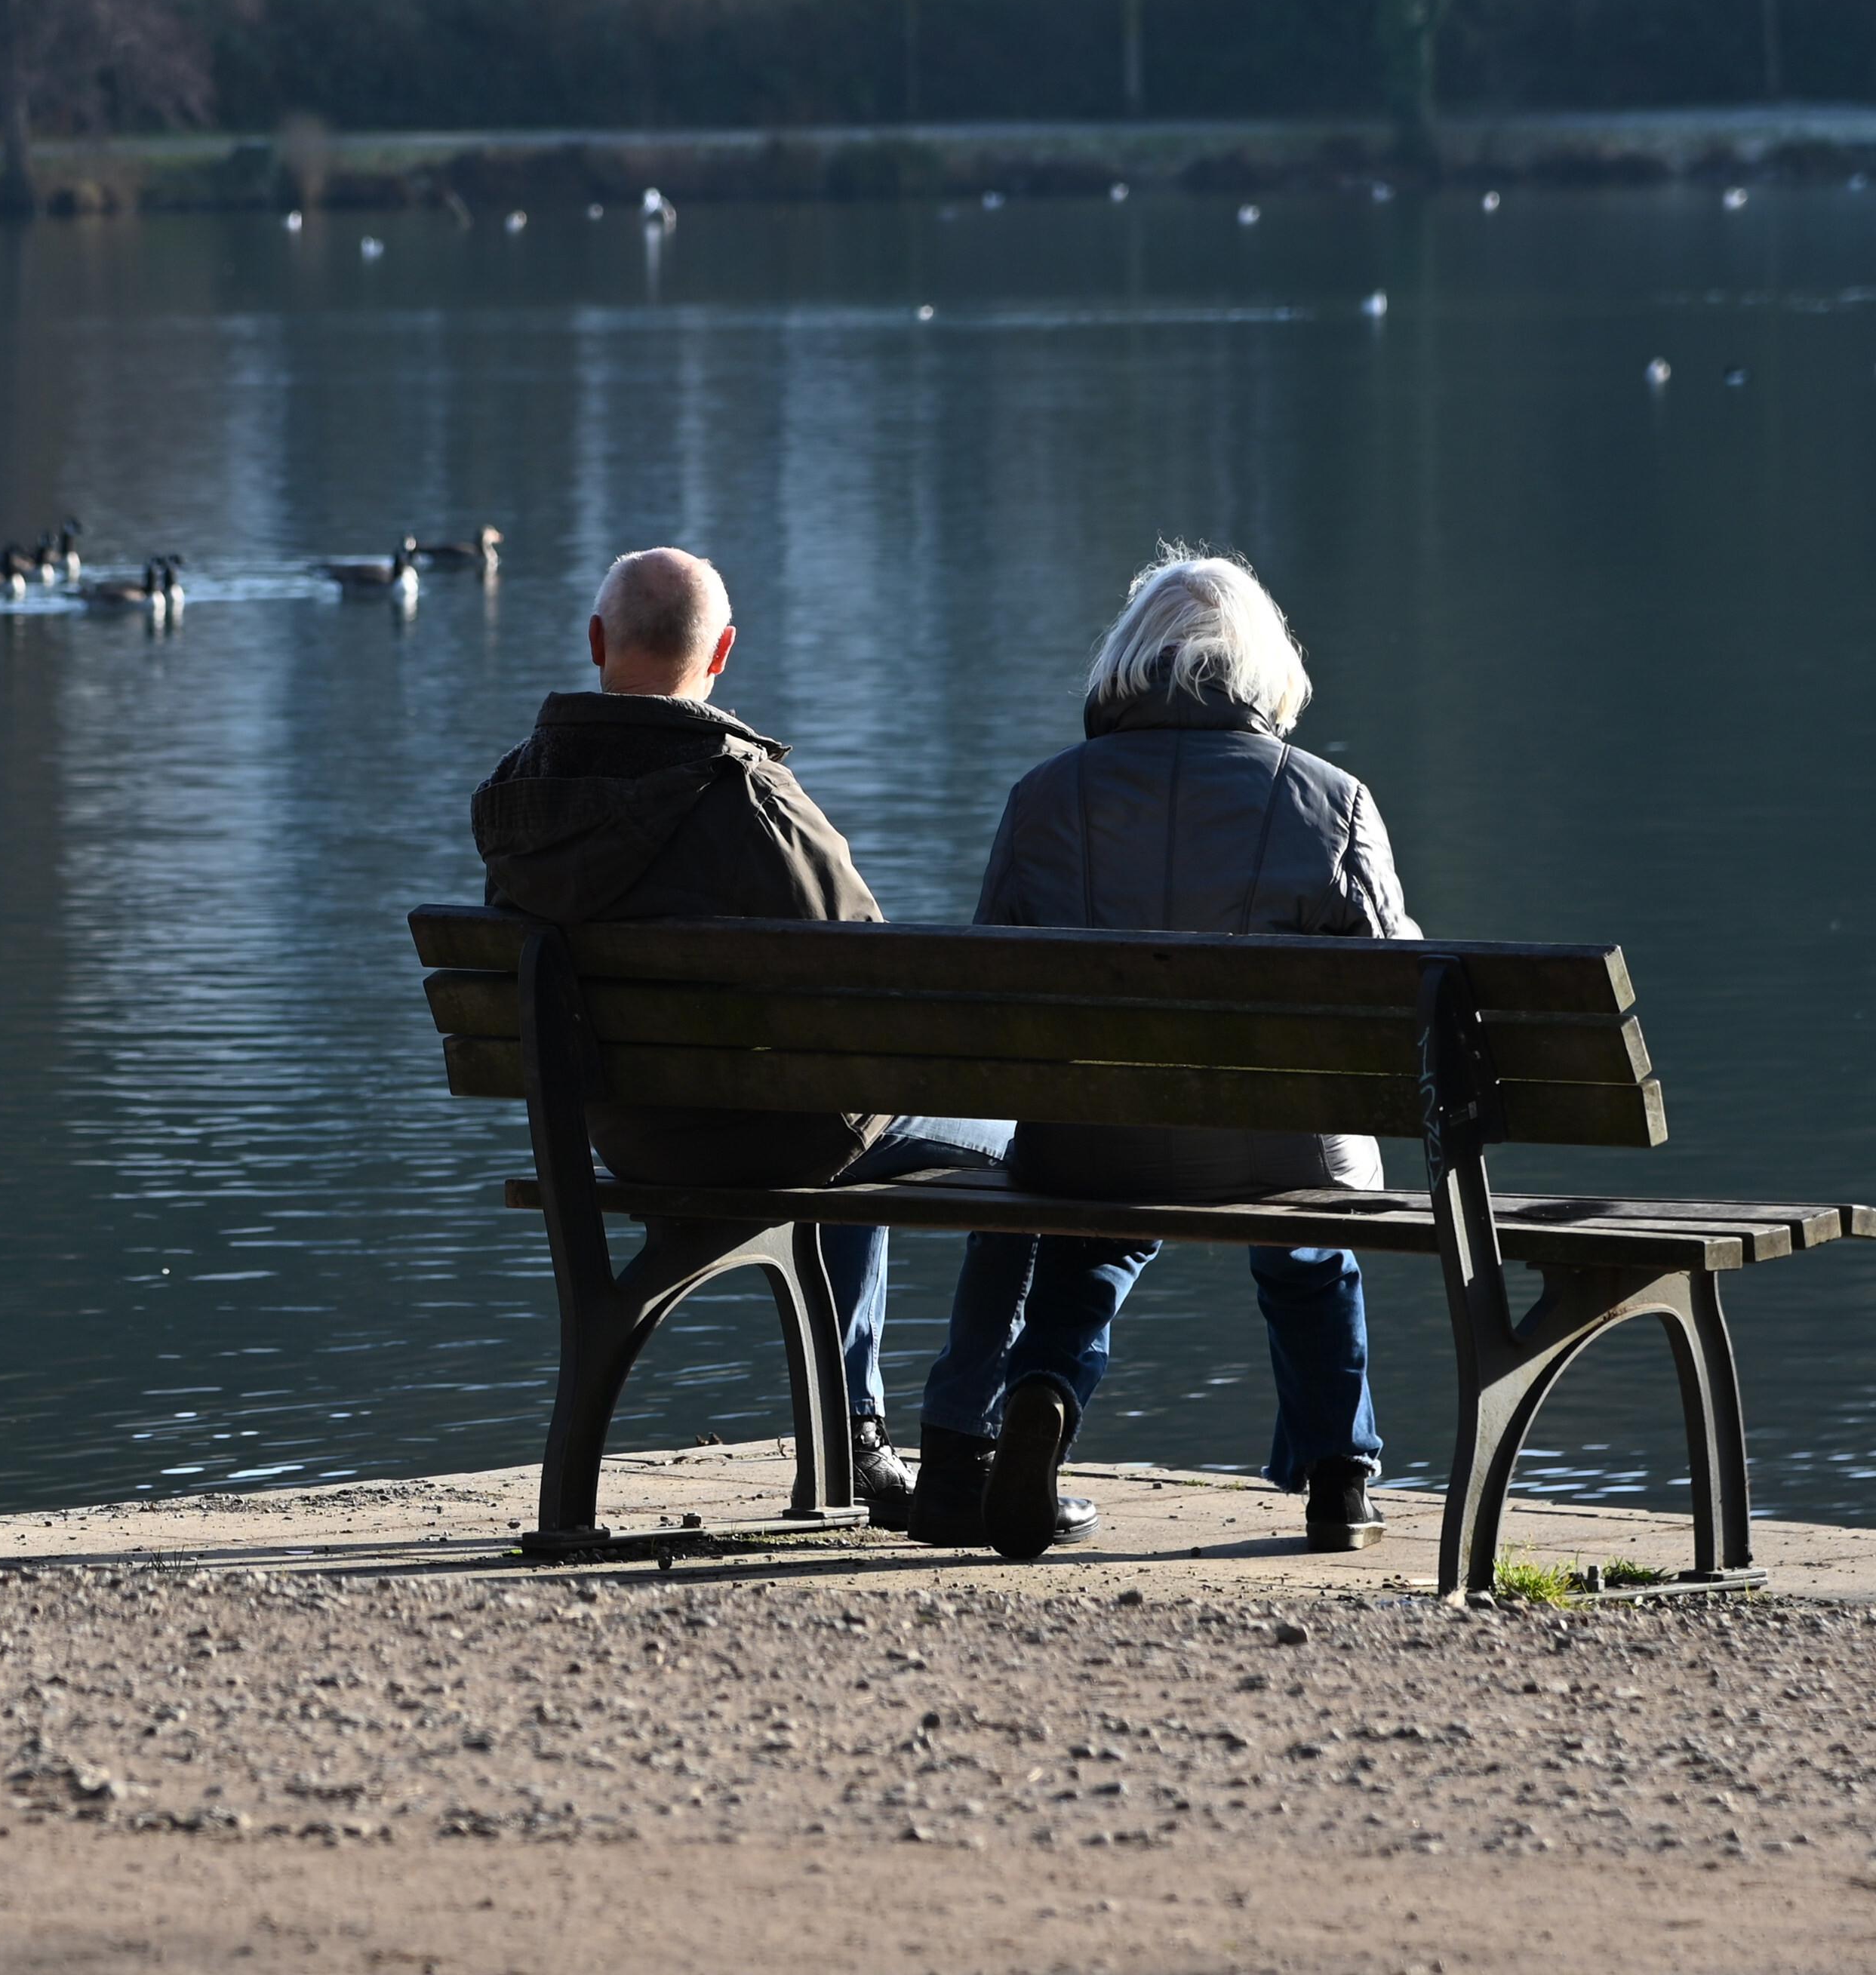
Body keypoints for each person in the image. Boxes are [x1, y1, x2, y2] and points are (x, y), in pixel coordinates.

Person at [471, 547, 1003, 1523]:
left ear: (596, 642)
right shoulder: (746, 796)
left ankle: (857, 1433)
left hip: (617, 1131)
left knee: (847, 1113)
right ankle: (959, 1444)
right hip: (775, 1136)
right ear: (720, 651)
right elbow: (875, 976)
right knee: (1024, 1134)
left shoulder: (519, 799)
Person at [907, 549, 1413, 1562]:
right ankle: (1338, 1479)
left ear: (1126, 661)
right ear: (1262, 667)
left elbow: (985, 993)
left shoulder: (1042, 798)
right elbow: (1405, 991)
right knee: (1310, 1240)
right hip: (1280, 1147)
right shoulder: (1331, 800)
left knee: (1089, 1234)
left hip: (1091, 1145)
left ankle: (1042, 1389)